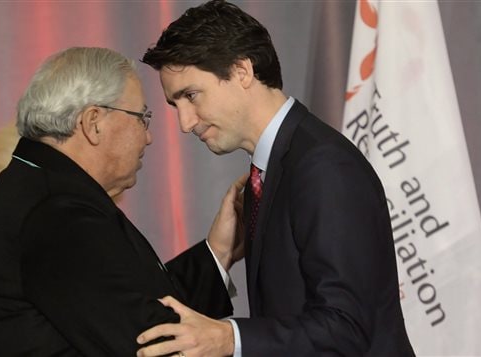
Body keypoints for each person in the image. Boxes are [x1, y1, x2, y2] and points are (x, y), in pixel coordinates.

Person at [137, 1, 416, 356]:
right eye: (176, 106)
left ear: (242, 71)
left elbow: (347, 328)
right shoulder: (272, 171)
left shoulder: (323, 166)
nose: (185, 122)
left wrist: (228, 338)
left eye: (191, 96)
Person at [0, 47, 243, 356]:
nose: (147, 137)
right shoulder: (56, 211)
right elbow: (152, 342)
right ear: (93, 122)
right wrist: (244, 340)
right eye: (142, 118)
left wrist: (218, 250)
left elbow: (132, 304)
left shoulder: (42, 186)